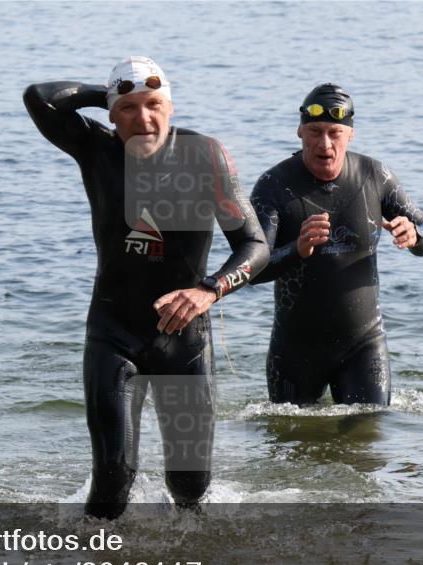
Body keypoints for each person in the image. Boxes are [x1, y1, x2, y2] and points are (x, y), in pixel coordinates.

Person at [23, 56, 269, 519]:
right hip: (114, 333)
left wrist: (208, 291)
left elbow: (254, 246)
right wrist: (109, 93)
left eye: (154, 104)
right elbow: (39, 97)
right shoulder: (95, 148)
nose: (144, 118)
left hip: (184, 338)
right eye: (129, 108)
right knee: (113, 479)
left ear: (171, 107)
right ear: (111, 116)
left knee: (191, 487)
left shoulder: (204, 156)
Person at [251, 83, 423, 407]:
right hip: (295, 351)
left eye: (335, 132)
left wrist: (415, 235)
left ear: (350, 134)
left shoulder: (375, 175)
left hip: (363, 346)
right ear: (299, 131)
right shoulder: (273, 186)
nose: (325, 144)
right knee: (291, 448)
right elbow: (252, 269)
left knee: (369, 443)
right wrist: (297, 248)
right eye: (315, 131)